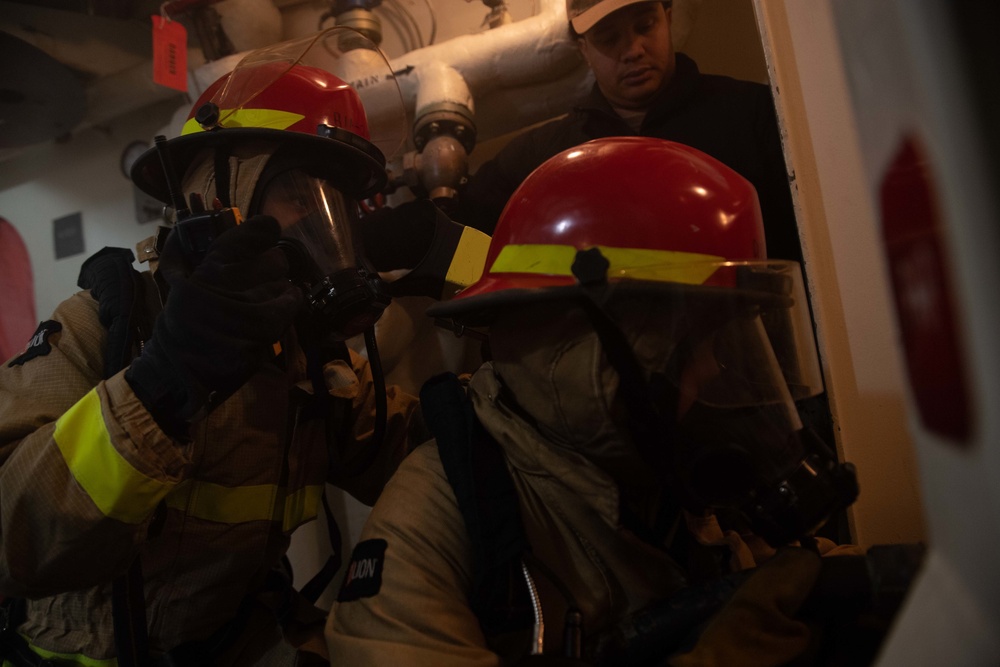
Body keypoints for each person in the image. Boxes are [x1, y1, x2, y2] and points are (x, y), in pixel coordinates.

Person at [325, 137, 889, 666]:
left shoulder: (675, 466)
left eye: (735, 339)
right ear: (594, 357)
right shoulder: (438, 518)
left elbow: (795, 571)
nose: (721, 368)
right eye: (700, 341)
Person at [0, 31, 432, 666]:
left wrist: (472, 264)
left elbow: (423, 456)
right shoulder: (103, 328)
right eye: (299, 195)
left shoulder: (313, 365)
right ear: (216, 201)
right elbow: (9, 541)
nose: (324, 226)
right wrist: (163, 383)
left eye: (339, 204)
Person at [454, 0, 801, 263]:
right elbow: (462, 234)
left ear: (668, 16)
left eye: (645, 25)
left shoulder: (753, 114)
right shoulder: (546, 157)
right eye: (609, 39)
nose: (633, 51)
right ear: (584, 50)